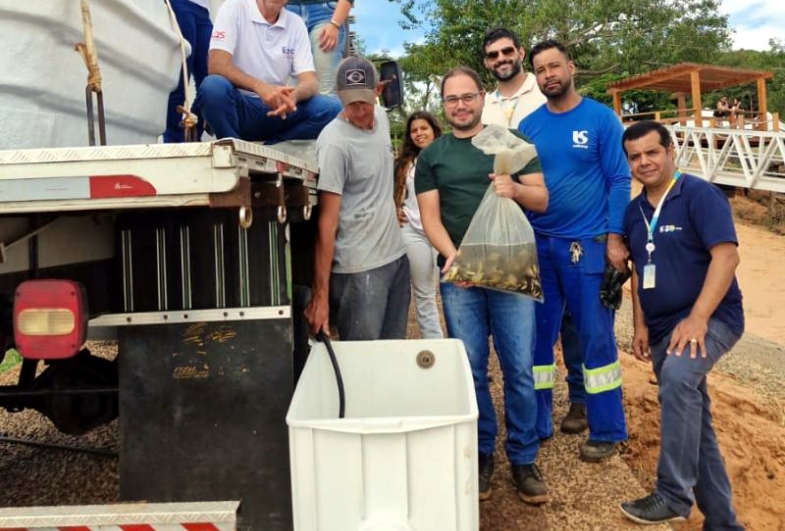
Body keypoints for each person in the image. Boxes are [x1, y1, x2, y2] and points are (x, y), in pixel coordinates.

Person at [416, 66, 549, 504]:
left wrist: (513, 188)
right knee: (470, 370)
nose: (460, 105)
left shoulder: (511, 145)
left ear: (481, 98)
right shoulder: (431, 156)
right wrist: (456, 260)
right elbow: (431, 219)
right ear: (444, 104)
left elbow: (541, 199)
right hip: (460, 280)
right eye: (451, 99)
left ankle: (523, 457)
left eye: (467, 97)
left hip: (510, 271)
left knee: (519, 370)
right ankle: (483, 452)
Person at [619, 120, 744, 528]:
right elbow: (639, 272)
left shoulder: (699, 195)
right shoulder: (634, 212)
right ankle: (723, 523)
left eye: (652, 152)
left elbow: (726, 257)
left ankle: (672, 494)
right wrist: (639, 325)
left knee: (677, 378)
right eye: (635, 157)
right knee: (696, 424)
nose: (644, 162)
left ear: (670, 151)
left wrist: (697, 318)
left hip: (711, 318)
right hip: (660, 327)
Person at [519, 39, 630, 461]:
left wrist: (616, 238)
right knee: (537, 340)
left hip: (588, 244)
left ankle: (606, 429)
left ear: (571, 67)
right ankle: (538, 420)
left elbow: (619, 181)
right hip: (539, 246)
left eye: (554, 66)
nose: (548, 74)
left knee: (596, 338)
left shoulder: (601, 119)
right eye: (540, 69)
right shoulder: (529, 127)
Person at [481, 27, 587, 436]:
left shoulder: (545, 90)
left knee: (574, 322)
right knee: (530, 322)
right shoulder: (484, 105)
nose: (501, 58)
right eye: (493, 54)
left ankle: (579, 400)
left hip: (563, 222)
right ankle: (537, 412)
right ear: (487, 62)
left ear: (520, 53)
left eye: (508, 51)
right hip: (513, 225)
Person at [304, 56, 410, 340]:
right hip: (358, 269)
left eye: (364, 101)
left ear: (377, 91)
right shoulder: (334, 143)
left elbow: (380, 179)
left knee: (393, 352)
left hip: (396, 258)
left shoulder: (383, 119)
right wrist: (321, 296)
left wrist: (391, 207)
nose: (360, 110)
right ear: (339, 96)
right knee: (363, 360)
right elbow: (326, 223)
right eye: (351, 103)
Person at [194, 0, 342, 144]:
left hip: (278, 110)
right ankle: (232, 146)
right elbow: (216, 65)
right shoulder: (233, 7)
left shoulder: (296, 23)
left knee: (333, 108)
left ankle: (274, 146)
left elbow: (310, 82)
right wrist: (261, 88)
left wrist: (293, 96)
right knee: (212, 87)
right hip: (239, 106)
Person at [393, 111, 444, 339]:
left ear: (434, 130)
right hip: (413, 231)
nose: (419, 133)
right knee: (424, 293)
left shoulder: (448, 157)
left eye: (424, 128)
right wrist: (394, 208)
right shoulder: (404, 164)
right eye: (414, 130)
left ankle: (465, 349)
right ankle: (435, 346)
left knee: (454, 291)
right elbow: (390, 193)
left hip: (444, 231)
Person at [164, 0, 212, 143]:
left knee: (210, 81)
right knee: (180, 80)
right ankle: (174, 141)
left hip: (204, 10)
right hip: (180, 4)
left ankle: (192, 134)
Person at [285, 0, 354, 95]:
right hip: (287, 12)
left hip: (324, 13)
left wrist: (335, 23)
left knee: (327, 91)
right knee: (291, 94)